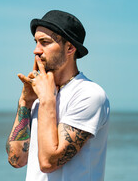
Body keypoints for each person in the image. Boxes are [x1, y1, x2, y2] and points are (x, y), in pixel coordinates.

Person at [6, 10, 110, 181]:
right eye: (36, 42)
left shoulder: (89, 94)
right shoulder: (39, 94)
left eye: (44, 43)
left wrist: (47, 100)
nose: (36, 51)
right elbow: (16, 159)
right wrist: (26, 101)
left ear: (69, 48)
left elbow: (48, 162)